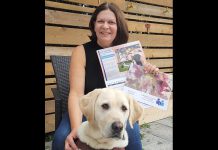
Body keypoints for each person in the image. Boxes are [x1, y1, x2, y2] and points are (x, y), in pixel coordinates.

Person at [52, 2, 159, 150]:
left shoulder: (131, 53)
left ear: (118, 26)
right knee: (61, 139)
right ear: (94, 24)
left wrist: (150, 74)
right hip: (88, 111)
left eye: (111, 22)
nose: (105, 26)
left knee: (133, 143)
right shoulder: (81, 51)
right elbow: (76, 93)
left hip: (118, 114)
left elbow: (139, 95)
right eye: (100, 21)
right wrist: (77, 129)